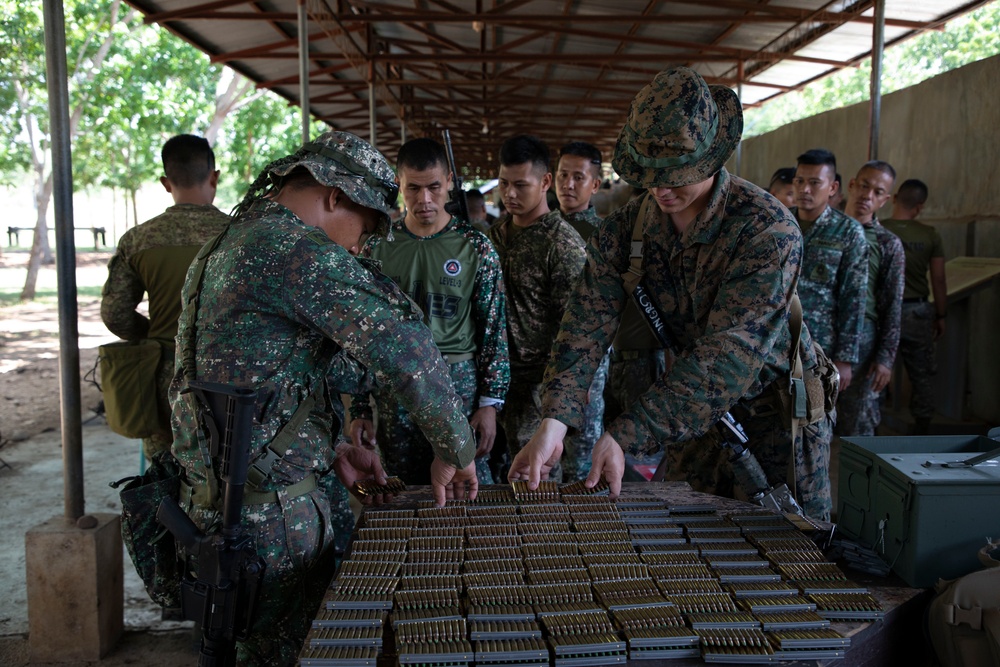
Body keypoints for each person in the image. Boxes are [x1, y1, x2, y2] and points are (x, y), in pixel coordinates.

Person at [168, 131, 479, 666]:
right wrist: (458, 449)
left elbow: (252, 380)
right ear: (335, 196)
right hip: (270, 524)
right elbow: (404, 344)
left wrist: (329, 449)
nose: (362, 246)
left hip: (220, 508)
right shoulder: (292, 249)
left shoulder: (229, 242)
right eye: (367, 227)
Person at [508, 66, 835, 520]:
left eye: (676, 174)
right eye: (648, 174)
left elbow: (727, 358)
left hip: (774, 418)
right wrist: (554, 423)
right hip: (690, 417)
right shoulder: (629, 228)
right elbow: (583, 325)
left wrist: (625, 433)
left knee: (792, 551)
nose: (660, 188)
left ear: (710, 159)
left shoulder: (765, 230)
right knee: (689, 539)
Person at [349, 137, 509, 485]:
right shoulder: (377, 246)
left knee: (465, 484)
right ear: (399, 185)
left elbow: (493, 330)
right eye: (413, 188)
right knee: (401, 486)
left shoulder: (476, 247)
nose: (424, 200)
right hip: (395, 386)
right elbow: (361, 333)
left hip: (459, 383)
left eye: (434, 187)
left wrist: (489, 404)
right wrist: (359, 408)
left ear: (450, 181)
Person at [100, 134, 230, 460]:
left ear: (165, 182)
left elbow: (115, 313)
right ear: (214, 177)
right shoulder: (241, 233)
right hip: (233, 377)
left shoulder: (139, 240)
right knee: (233, 467)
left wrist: (157, 337)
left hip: (165, 381)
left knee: (164, 475)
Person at [487, 135, 587, 483]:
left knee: (534, 481)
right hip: (496, 384)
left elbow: (576, 330)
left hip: (538, 389)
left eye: (520, 185)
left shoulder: (561, 244)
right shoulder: (494, 236)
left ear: (545, 182)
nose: (509, 194)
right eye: (503, 183)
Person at [836, 161, 905, 436]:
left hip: (863, 351)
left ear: (885, 200)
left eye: (878, 192)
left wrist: (886, 358)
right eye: (864, 186)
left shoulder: (888, 244)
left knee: (858, 429)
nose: (867, 196)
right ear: (851, 185)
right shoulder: (824, 231)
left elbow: (892, 304)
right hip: (818, 341)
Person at [790, 149, 868, 393]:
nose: (804, 189)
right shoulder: (780, 224)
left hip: (822, 347)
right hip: (779, 342)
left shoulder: (848, 232)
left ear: (832, 188)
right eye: (799, 181)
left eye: (814, 183)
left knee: (818, 415)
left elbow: (854, 298)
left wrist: (845, 358)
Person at [554, 140, 608, 481]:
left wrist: (588, 371)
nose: (568, 185)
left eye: (578, 177)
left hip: (586, 361)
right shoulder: (542, 228)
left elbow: (606, 311)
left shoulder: (602, 236)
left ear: (595, 184)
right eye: (562, 175)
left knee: (581, 455)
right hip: (541, 360)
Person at [882, 179, 946, 434]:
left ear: (894, 197)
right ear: (920, 206)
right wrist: (941, 314)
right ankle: (922, 427)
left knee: (878, 369)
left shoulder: (878, 229)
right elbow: (939, 279)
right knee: (921, 374)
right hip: (917, 311)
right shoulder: (929, 234)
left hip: (885, 311)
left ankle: (870, 428)